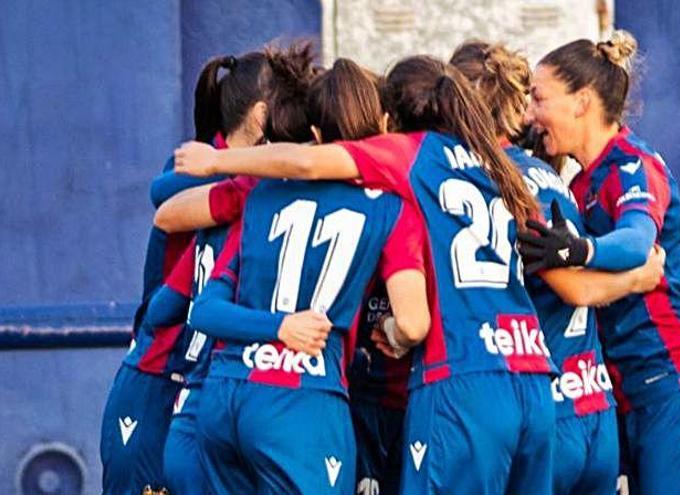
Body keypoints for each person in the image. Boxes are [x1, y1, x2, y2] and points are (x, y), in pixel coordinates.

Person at [174, 55, 557, 495]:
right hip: (532, 371)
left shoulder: (410, 153)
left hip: (460, 375)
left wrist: (219, 161)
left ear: (390, 119)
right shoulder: (494, 162)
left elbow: (306, 165)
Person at [183, 57, 430, 494]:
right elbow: (412, 324)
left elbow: (202, 309)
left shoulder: (262, 194)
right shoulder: (392, 206)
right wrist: (393, 332)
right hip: (304, 399)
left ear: (315, 135)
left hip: (226, 396)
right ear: (385, 124)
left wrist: (273, 325)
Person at [520, 31, 680, 494]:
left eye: (539, 98)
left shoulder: (633, 165)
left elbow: (639, 242)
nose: (530, 114)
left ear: (581, 101)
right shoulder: (577, 186)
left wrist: (579, 251)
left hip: (677, 383)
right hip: (626, 394)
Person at [451, 39, 664, 495]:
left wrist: (633, 275)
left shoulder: (488, 176)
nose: (532, 113)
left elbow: (576, 287)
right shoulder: (555, 174)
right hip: (593, 403)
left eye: (540, 100)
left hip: (547, 407)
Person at [99, 46, 294, 494]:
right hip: (158, 376)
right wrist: (251, 175)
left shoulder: (259, 183)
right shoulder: (200, 161)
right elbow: (163, 194)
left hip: (212, 391)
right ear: (264, 115)